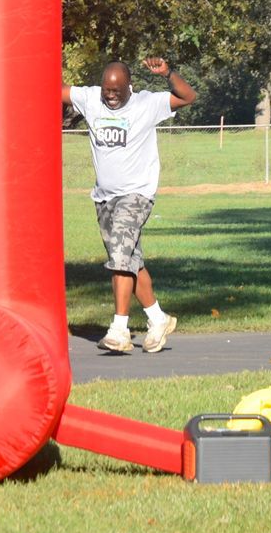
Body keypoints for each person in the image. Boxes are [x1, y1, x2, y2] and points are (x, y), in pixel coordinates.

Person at [62, 56, 197, 354]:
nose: (110, 95)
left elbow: (188, 96)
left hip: (136, 195)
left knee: (121, 258)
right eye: (106, 90)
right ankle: (158, 318)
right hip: (104, 198)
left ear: (129, 88)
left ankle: (119, 329)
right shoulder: (89, 98)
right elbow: (55, 90)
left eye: (116, 91)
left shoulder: (146, 104)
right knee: (131, 260)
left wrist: (169, 73)